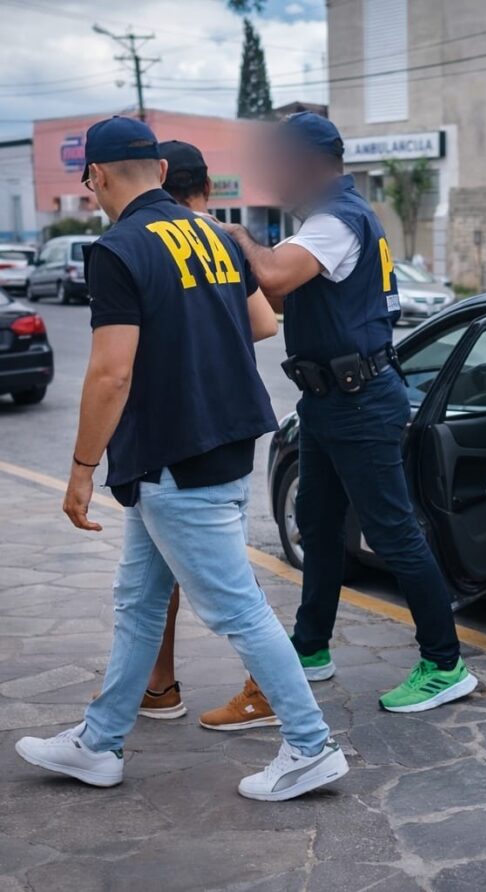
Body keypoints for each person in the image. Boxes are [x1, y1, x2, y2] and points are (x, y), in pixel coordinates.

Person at [14, 116, 346, 801]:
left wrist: (81, 470)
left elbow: (110, 374)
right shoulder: (211, 232)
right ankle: (99, 744)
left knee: (236, 609)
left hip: (171, 452)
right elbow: (262, 322)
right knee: (138, 600)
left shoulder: (119, 248)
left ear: (97, 176)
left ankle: (311, 747)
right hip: (218, 442)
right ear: (161, 172)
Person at [217, 113, 477, 714]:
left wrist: (238, 236)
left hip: (360, 402)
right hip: (328, 401)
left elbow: (274, 273)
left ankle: (444, 662)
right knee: (318, 523)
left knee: (393, 532)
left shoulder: (338, 219)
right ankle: (311, 647)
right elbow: (281, 292)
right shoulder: (323, 223)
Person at [117, 139, 282, 730]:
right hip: (229, 425)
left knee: (218, 593)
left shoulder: (138, 244)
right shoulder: (217, 238)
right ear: (205, 188)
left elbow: (115, 363)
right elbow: (264, 323)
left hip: (171, 433)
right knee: (166, 578)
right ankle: (129, 709)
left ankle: (163, 686)